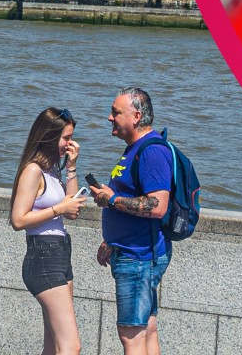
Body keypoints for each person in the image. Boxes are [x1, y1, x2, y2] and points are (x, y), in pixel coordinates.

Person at [87, 87, 171, 355]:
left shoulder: (151, 151)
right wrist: (111, 240)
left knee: (131, 335)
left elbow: (156, 206)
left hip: (139, 258)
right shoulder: (134, 149)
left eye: (115, 112)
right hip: (132, 253)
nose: (109, 118)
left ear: (136, 116)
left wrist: (111, 200)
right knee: (146, 330)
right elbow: (133, 200)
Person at [9, 108, 87, 355]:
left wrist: (71, 168)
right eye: (66, 138)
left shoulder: (52, 169)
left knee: (54, 346)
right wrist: (58, 208)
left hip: (60, 253)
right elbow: (18, 219)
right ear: (49, 136)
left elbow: (72, 210)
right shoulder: (33, 170)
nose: (70, 144)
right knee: (70, 346)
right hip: (43, 256)